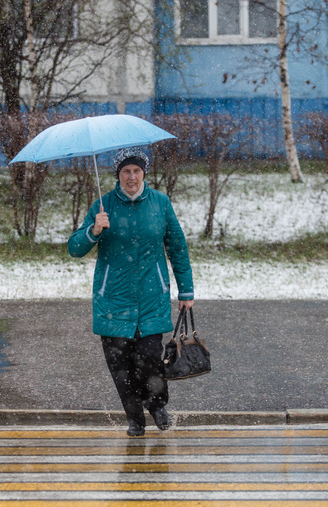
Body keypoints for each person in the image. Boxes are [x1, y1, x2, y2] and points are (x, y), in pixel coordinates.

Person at [67, 147, 194, 437]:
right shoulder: (102, 206)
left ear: (144, 173)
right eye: (126, 171)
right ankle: (135, 419)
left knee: (150, 360)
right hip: (113, 300)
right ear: (118, 175)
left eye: (137, 170)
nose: (132, 176)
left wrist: (186, 291)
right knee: (120, 368)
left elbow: (177, 247)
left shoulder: (160, 203)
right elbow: (74, 248)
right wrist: (93, 231)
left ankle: (157, 405)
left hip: (152, 297)